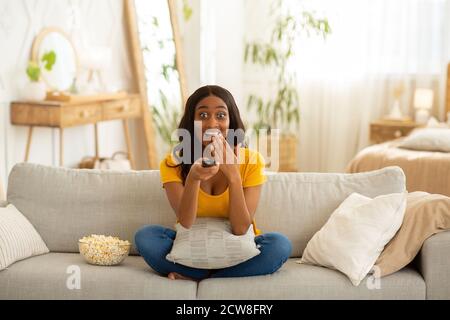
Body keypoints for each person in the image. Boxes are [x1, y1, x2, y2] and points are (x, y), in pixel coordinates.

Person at [135, 85, 292, 281]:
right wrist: (193, 178)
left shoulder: (252, 161)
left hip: (237, 246)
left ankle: (201, 277)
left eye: (220, 115)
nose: (211, 123)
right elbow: (186, 222)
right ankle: (224, 276)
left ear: (230, 121)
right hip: (191, 243)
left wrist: (233, 176)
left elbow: (241, 228)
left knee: (280, 244)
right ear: (191, 123)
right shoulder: (172, 163)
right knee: (146, 236)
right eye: (202, 115)